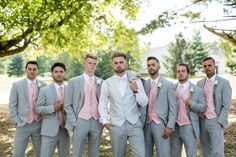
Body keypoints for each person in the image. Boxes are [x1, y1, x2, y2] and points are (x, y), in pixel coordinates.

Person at [98, 52, 148, 157]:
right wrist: (105, 122)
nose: (118, 65)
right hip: (116, 125)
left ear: (126, 63)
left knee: (141, 155)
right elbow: (102, 104)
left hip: (134, 124)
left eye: (121, 62)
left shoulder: (135, 80)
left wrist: (136, 91)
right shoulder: (107, 83)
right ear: (112, 65)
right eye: (115, 63)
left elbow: (144, 102)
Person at [64, 54, 103, 157]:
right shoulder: (73, 81)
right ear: (84, 63)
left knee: (94, 153)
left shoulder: (101, 82)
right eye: (90, 63)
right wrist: (75, 122)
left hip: (97, 121)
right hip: (80, 120)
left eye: (94, 64)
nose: (92, 65)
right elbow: (67, 105)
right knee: (77, 152)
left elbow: (104, 103)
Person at [9, 61, 47, 157]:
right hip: (22, 124)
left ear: (37, 71)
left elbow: (46, 104)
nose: (32, 71)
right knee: (18, 153)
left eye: (34, 69)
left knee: (41, 153)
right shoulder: (16, 85)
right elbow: (12, 104)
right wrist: (16, 120)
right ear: (26, 70)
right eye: (29, 69)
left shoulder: (43, 85)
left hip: (38, 124)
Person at [197, 57, 232, 157]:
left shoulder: (224, 83)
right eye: (205, 66)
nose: (207, 68)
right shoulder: (199, 83)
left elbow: (226, 105)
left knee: (217, 151)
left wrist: (220, 121)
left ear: (214, 66)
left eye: (209, 65)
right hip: (202, 121)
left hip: (215, 120)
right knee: (206, 150)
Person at [143, 56, 177, 157]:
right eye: (148, 65)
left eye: (153, 65)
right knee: (146, 153)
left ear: (159, 66)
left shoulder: (168, 85)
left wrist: (170, 126)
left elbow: (173, 108)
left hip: (161, 125)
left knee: (163, 154)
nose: (151, 67)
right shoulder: (144, 84)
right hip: (146, 124)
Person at [170, 63, 206, 157]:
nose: (180, 73)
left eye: (183, 71)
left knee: (191, 154)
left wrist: (192, 105)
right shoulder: (171, 88)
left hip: (189, 126)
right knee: (174, 154)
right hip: (174, 127)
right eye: (178, 71)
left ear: (188, 73)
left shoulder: (198, 90)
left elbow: (203, 107)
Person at [35, 62, 70, 157]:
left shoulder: (70, 90)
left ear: (65, 73)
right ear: (52, 73)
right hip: (49, 130)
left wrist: (66, 111)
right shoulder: (44, 90)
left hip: (66, 130)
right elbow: (37, 109)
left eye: (61, 71)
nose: (58, 74)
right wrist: (53, 108)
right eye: (56, 71)